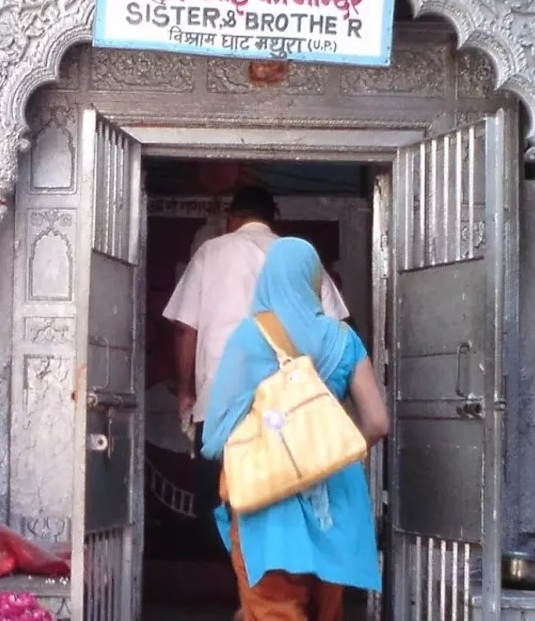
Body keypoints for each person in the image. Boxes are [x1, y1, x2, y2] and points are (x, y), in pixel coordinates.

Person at [201, 238, 389, 621]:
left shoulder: (249, 338)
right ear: (314, 280)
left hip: (269, 506)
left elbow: (215, 437)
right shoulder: (344, 338)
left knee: (272, 611)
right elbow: (377, 423)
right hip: (335, 504)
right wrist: (326, 450)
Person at [162, 185, 349, 548]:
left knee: (219, 500)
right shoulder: (300, 259)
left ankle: (241, 587)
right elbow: (337, 329)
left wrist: (186, 391)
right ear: (273, 219)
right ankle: (266, 589)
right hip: (289, 405)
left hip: (220, 404)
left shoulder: (211, 252)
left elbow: (186, 328)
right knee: (280, 501)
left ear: (232, 218)